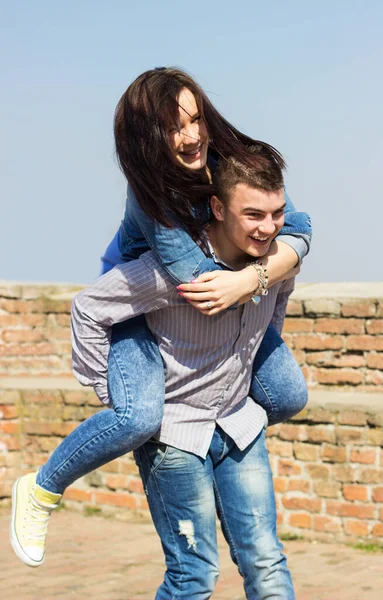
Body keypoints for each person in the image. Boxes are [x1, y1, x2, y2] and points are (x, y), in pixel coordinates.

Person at [10, 67, 311, 570]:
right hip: (135, 307)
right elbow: (199, 279)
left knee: (288, 394)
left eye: (196, 119)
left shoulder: (232, 162)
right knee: (139, 417)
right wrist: (108, 389)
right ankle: (41, 489)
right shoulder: (151, 194)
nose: (191, 136)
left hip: (223, 292)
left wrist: (255, 278)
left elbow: (299, 228)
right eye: (174, 127)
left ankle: (213, 458)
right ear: (148, 139)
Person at [71, 149, 297, 598]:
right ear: (217, 207)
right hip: (175, 436)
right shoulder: (173, 270)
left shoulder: (276, 262)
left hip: (238, 425)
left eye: (277, 214)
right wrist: (112, 395)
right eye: (253, 214)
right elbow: (89, 308)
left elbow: (278, 308)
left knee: (266, 561)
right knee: (194, 575)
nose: (267, 228)